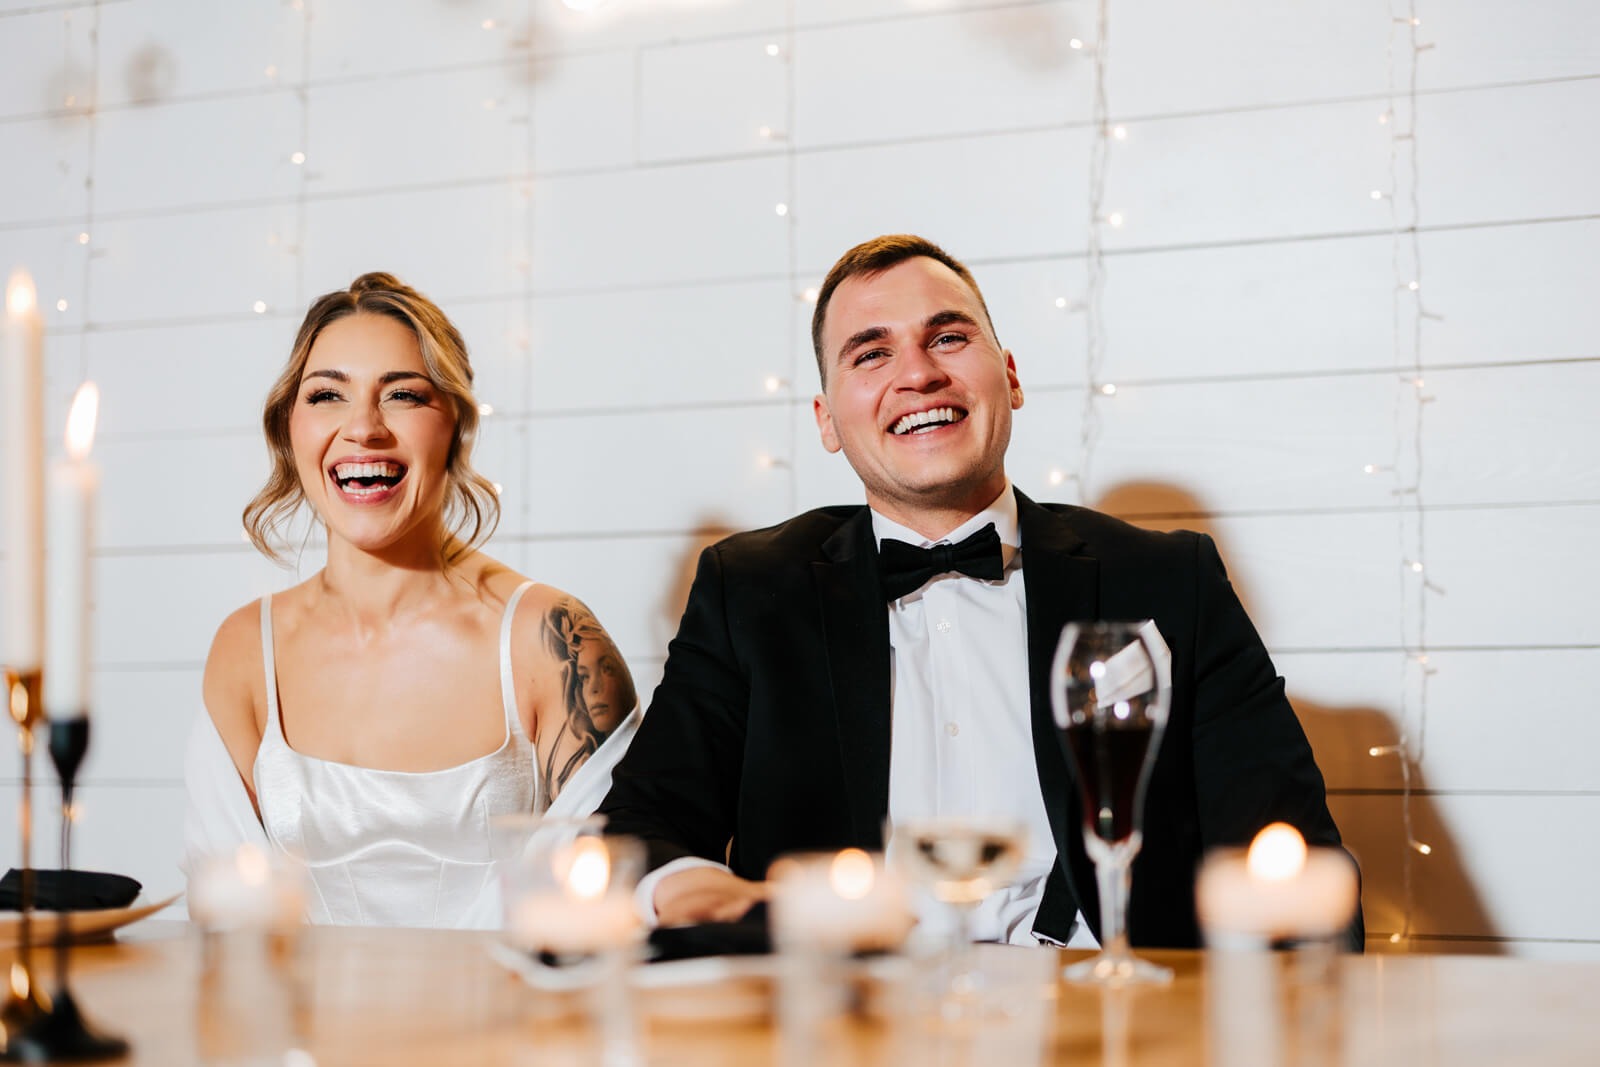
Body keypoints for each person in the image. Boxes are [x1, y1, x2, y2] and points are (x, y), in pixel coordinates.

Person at [599, 234, 1359, 950]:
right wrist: (710, 896)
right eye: (872, 353)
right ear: (828, 421)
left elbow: (1291, 851)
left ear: (1012, 377)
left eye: (949, 338)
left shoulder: (1169, 580)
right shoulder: (750, 589)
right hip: (846, 1028)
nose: (918, 373)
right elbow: (640, 829)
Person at [182, 272, 639, 928]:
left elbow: (602, 914)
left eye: (402, 394)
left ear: (455, 424)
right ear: (290, 429)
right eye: (326, 395)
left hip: (513, 1028)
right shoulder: (245, 653)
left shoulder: (552, 640)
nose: (363, 428)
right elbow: (226, 928)